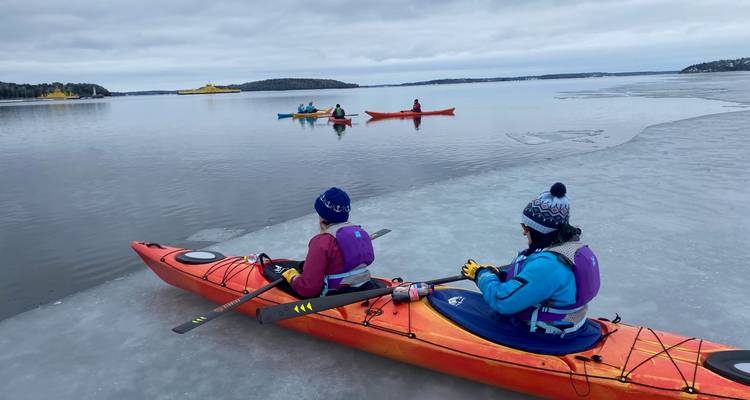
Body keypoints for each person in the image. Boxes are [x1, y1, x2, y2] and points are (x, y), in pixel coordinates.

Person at [460, 182, 600, 337]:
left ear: (540, 230)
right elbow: (539, 282)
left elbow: (502, 301)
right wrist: (502, 275)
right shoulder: (572, 247)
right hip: (571, 320)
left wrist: (481, 275)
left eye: (526, 228)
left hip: (546, 331)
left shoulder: (549, 265)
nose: (524, 233)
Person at [277, 187, 376, 298]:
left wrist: (292, 276)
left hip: (335, 296)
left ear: (323, 215)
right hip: (363, 286)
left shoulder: (321, 242)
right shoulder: (362, 233)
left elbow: (309, 289)